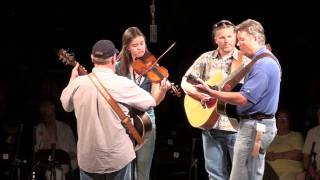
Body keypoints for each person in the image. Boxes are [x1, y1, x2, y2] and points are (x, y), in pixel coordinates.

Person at [192, 19, 282, 180]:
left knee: (241, 177)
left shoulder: (263, 65)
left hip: (254, 129)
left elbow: (242, 99)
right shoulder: (260, 60)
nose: (238, 44)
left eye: (242, 40)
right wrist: (227, 84)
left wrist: (211, 93)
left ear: (254, 38)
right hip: (257, 127)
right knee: (252, 174)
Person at [60, 39, 156, 180]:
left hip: (89, 160)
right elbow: (150, 102)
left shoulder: (78, 84)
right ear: (113, 58)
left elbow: (66, 105)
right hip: (118, 158)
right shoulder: (122, 83)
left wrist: (73, 78)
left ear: (92, 58)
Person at [181, 19, 250, 180]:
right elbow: (185, 81)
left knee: (241, 175)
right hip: (210, 125)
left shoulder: (245, 60)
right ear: (215, 40)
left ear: (236, 37)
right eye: (222, 37)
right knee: (215, 175)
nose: (226, 40)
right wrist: (199, 95)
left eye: (229, 36)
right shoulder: (206, 58)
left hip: (236, 126)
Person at [115, 27, 171, 180]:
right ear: (127, 48)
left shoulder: (153, 66)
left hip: (146, 122)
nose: (140, 48)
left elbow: (154, 101)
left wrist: (164, 91)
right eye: (135, 45)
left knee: (143, 170)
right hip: (123, 121)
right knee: (124, 169)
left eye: (142, 44)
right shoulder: (118, 67)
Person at [34, 98, 78, 180]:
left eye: (50, 115)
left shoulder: (65, 128)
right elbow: (35, 150)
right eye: (45, 115)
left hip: (62, 165)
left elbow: (74, 152)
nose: (48, 118)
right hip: (43, 165)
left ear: (54, 112)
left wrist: (67, 156)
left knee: (56, 172)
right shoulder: (38, 128)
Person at [266, 108, 304, 180]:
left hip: (290, 173)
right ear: (275, 122)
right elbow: (260, 154)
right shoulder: (269, 137)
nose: (282, 121)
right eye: (279, 118)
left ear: (289, 122)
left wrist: (276, 155)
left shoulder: (296, 136)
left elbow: (298, 155)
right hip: (270, 174)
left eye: (285, 118)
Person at [296, 106, 320, 180]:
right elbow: (306, 157)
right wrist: (313, 174)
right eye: (319, 114)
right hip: (316, 171)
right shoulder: (312, 132)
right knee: (300, 177)